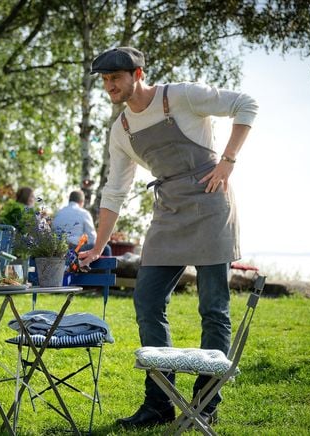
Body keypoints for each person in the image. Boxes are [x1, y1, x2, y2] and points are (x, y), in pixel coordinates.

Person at [78, 47, 257, 428]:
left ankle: (205, 402)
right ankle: (159, 403)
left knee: (213, 308)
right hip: (169, 213)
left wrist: (228, 161)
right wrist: (97, 245)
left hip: (211, 204)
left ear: (138, 74)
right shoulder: (121, 130)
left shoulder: (180, 96)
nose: (109, 86)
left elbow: (246, 104)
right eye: (105, 81)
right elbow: (114, 192)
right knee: (147, 297)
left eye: (116, 78)